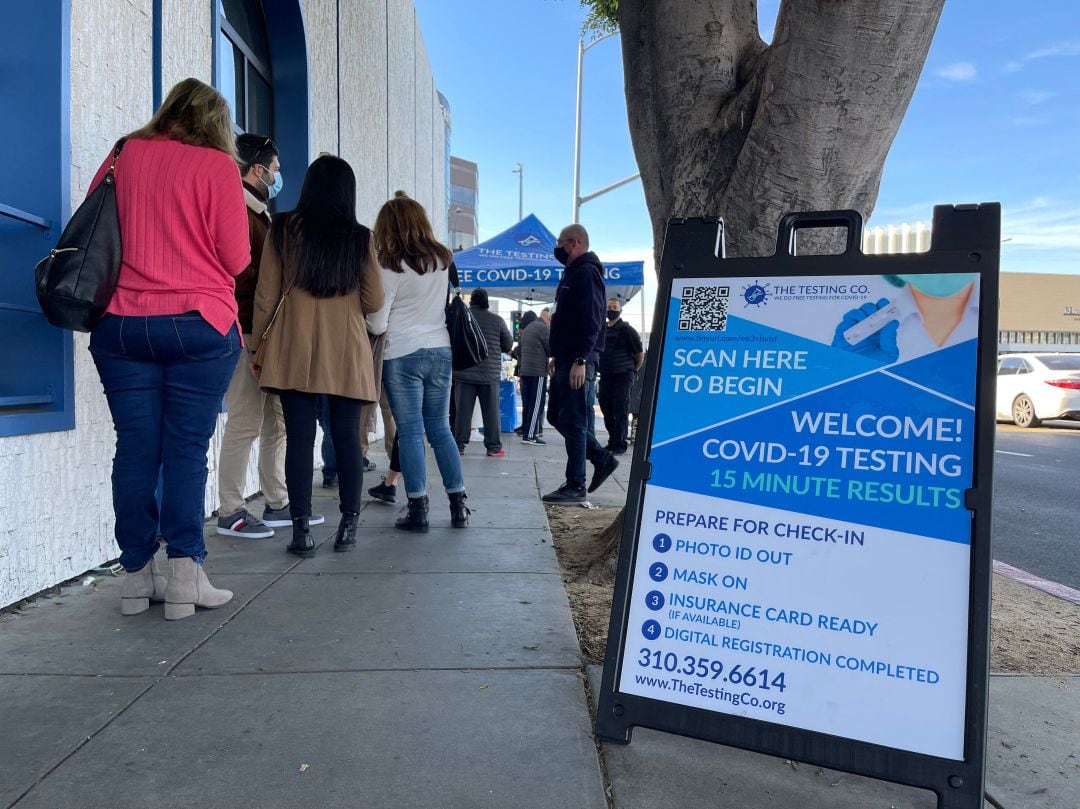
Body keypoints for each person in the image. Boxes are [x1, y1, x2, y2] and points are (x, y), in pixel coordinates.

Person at [87, 78, 248, 619]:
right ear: (215, 123)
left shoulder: (123, 154)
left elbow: (94, 226)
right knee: (184, 450)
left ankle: (136, 580)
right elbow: (236, 257)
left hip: (122, 325)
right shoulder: (218, 167)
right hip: (198, 324)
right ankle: (185, 578)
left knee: (135, 449)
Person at [252, 155, 383, 557]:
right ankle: (348, 526)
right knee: (346, 438)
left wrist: (258, 347)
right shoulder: (360, 237)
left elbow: (265, 295)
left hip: (295, 344)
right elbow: (374, 298)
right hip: (345, 347)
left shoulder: (283, 228)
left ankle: (301, 531)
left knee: (299, 438)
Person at [215, 134, 322, 538]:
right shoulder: (239, 212)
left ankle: (277, 501)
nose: (278, 177)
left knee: (275, 420)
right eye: (274, 170)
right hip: (244, 326)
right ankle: (230, 509)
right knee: (245, 418)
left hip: (264, 330)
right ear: (257, 169)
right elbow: (241, 274)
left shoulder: (259, 212)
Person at [366, 191, 470, 531]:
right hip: (440, 349)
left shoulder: (390, 264)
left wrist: (365, 323)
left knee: (410, 432)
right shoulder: (442, 260)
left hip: (402, 353)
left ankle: (418, 509)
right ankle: (459, 506)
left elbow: (379, 322)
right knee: (441, 430)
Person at [541, 225, 619, 504]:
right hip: (565, 358)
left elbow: (592, 319)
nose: (557, 248)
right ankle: (600, 457)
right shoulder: (574, 272)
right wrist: (557, 355)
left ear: (574, 243)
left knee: (574, 423)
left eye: (561, 243)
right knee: (556, 417)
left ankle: (576, 483)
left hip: (577, 360)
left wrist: (580, 360)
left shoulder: (586, 273)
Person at [452, 288, 513, 457]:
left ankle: (459, 446)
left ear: (471, 301)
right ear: (486, 302)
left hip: (464, 372)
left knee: (463, 413)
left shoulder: (463, 317)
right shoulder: (498, 320)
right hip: (489, 374)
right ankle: (493, 447)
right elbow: (508, 345)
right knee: (491, 413)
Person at [597, 297, 644, 455]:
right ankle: (612, 440)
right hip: (606, 374)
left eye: (614, 307)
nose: (611, 309)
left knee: (620, 409)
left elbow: (639, 353)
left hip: (623, 375)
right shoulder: (602, 329)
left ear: (620, 309)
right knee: (605, 406)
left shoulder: (626, 329)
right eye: (609, 306)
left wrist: (632, 369)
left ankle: (620, 443)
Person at [518, 310, 551, 445]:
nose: (550, 322)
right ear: (545, 317)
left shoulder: (528, 329)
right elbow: (551, 349)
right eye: (549, 319)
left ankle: (528, 432)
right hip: (537, 371)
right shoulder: (542, 328)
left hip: (525, 370)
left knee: (528, 404)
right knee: (537, 404)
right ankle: (530, 435)